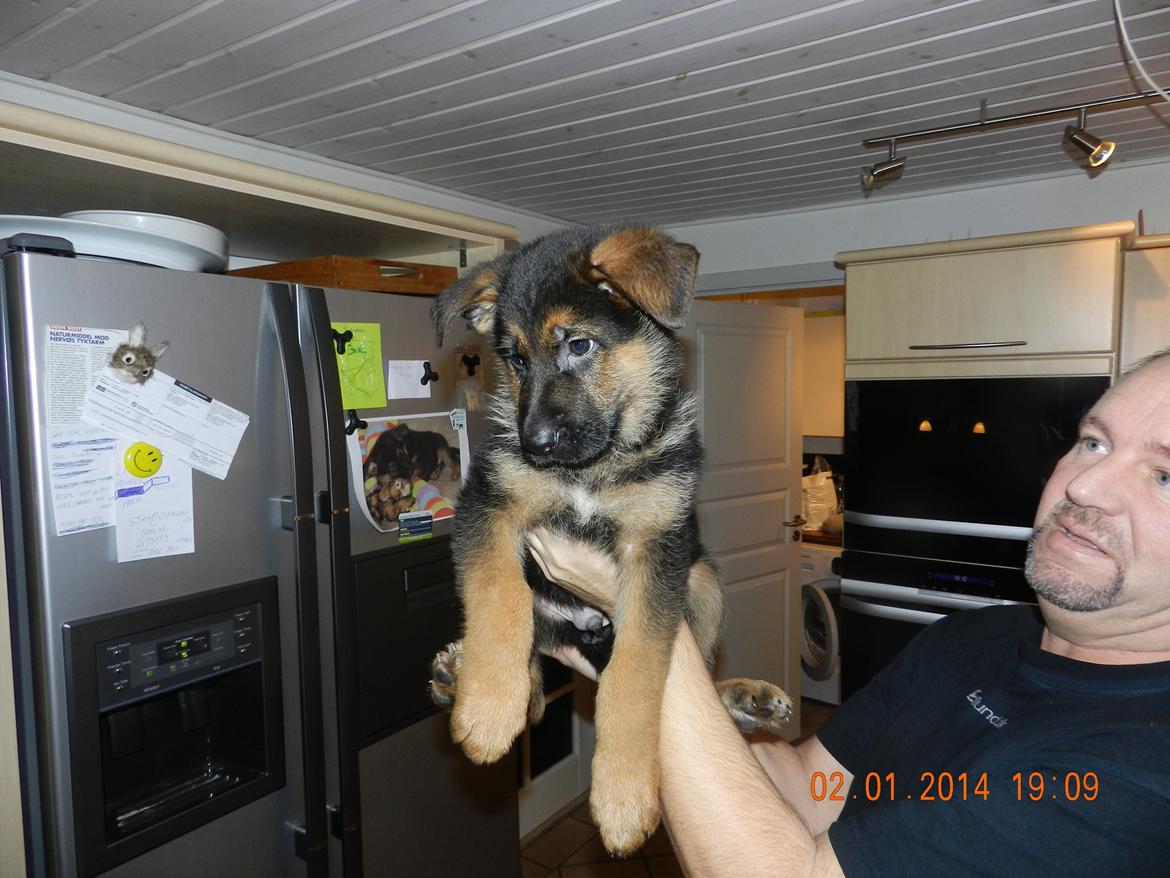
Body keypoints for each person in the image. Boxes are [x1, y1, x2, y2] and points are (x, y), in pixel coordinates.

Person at [524, 350, 1170, 877]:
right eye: (1092, 442)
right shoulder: (974, 636)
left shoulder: (1138, 775)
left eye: (1165, 477)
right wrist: (612, 648)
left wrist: (645, 616)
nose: (1085, 486)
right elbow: (811, 786)